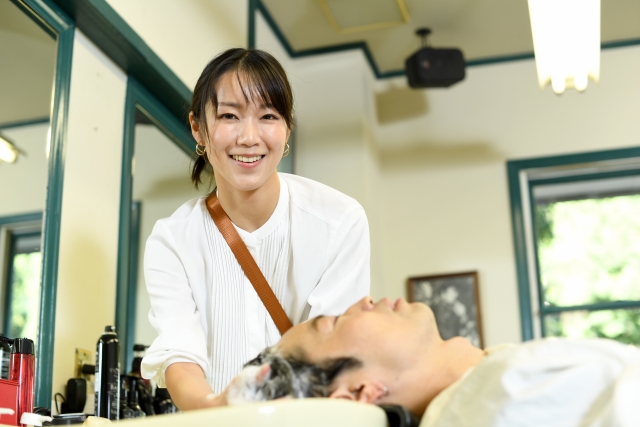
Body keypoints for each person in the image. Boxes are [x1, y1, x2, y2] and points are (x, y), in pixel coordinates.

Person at [140, 48, 371, 410]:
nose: (249, 137)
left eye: (267, 116)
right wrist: (218, 410)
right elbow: (179, 356)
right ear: (198, 128)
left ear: (287, 128)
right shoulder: (172, 241)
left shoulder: (339, 222)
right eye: (229, 116)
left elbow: (332, 357)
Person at [226, 296, 640, 426]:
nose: (362, 301)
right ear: (358, 393)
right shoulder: (509, 397)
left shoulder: (497, 384)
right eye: (333, 323)